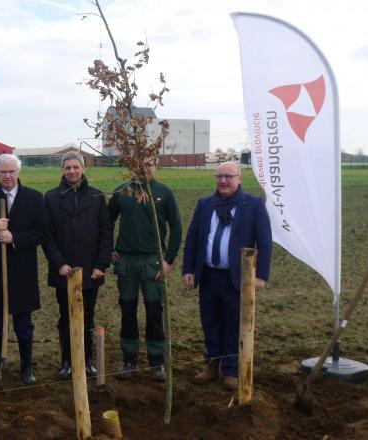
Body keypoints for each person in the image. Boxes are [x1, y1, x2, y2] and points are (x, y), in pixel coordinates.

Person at [182, 162, 272, 390]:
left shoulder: (253, 205)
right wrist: (189, 269)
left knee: (233, 324)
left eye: (228, 177)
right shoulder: (205, 205)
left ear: (239, 179)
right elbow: (193, 238)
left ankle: (231, 371)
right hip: (209, 276)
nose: (223, 181)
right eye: (219, 176)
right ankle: (212, 366)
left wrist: (261, 275)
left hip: (237, 277)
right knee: (210, 322)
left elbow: (264, 241)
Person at [107, 157, 182, 381]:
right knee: (128, 311)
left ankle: (156, 362)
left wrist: (167, 260)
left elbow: (176, 227)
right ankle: (129, 359)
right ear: (132, 166)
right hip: (127, 262)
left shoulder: (164, 192)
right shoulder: (122, 191)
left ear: (155, 166)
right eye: (140, 164)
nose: (144, 168)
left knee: (154, 312)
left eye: (149, 164)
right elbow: (106, 222)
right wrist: (109, 249)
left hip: (153, 262)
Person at [0, 154, 46, 385]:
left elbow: (41, 233)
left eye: (11, 171)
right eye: (2, 172)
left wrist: (15, 237)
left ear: (18, 172)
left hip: (23, 272)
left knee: (23, 323)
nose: (7, 176)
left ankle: (26, 367)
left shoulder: (34, 199)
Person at [43, 151, 112, 379]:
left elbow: (105, 233)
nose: (72, 171)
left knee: (87, 318)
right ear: (62, 170)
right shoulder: (51, 198)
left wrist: (101, 265)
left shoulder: (96, 196)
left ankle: (87, 361)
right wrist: (59, 264)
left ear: (83, 169)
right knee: (65, 318)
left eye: (76, 167)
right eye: (67, 168)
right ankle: (66, 362)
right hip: (63, 273)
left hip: (91, 271)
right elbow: (48, 236)